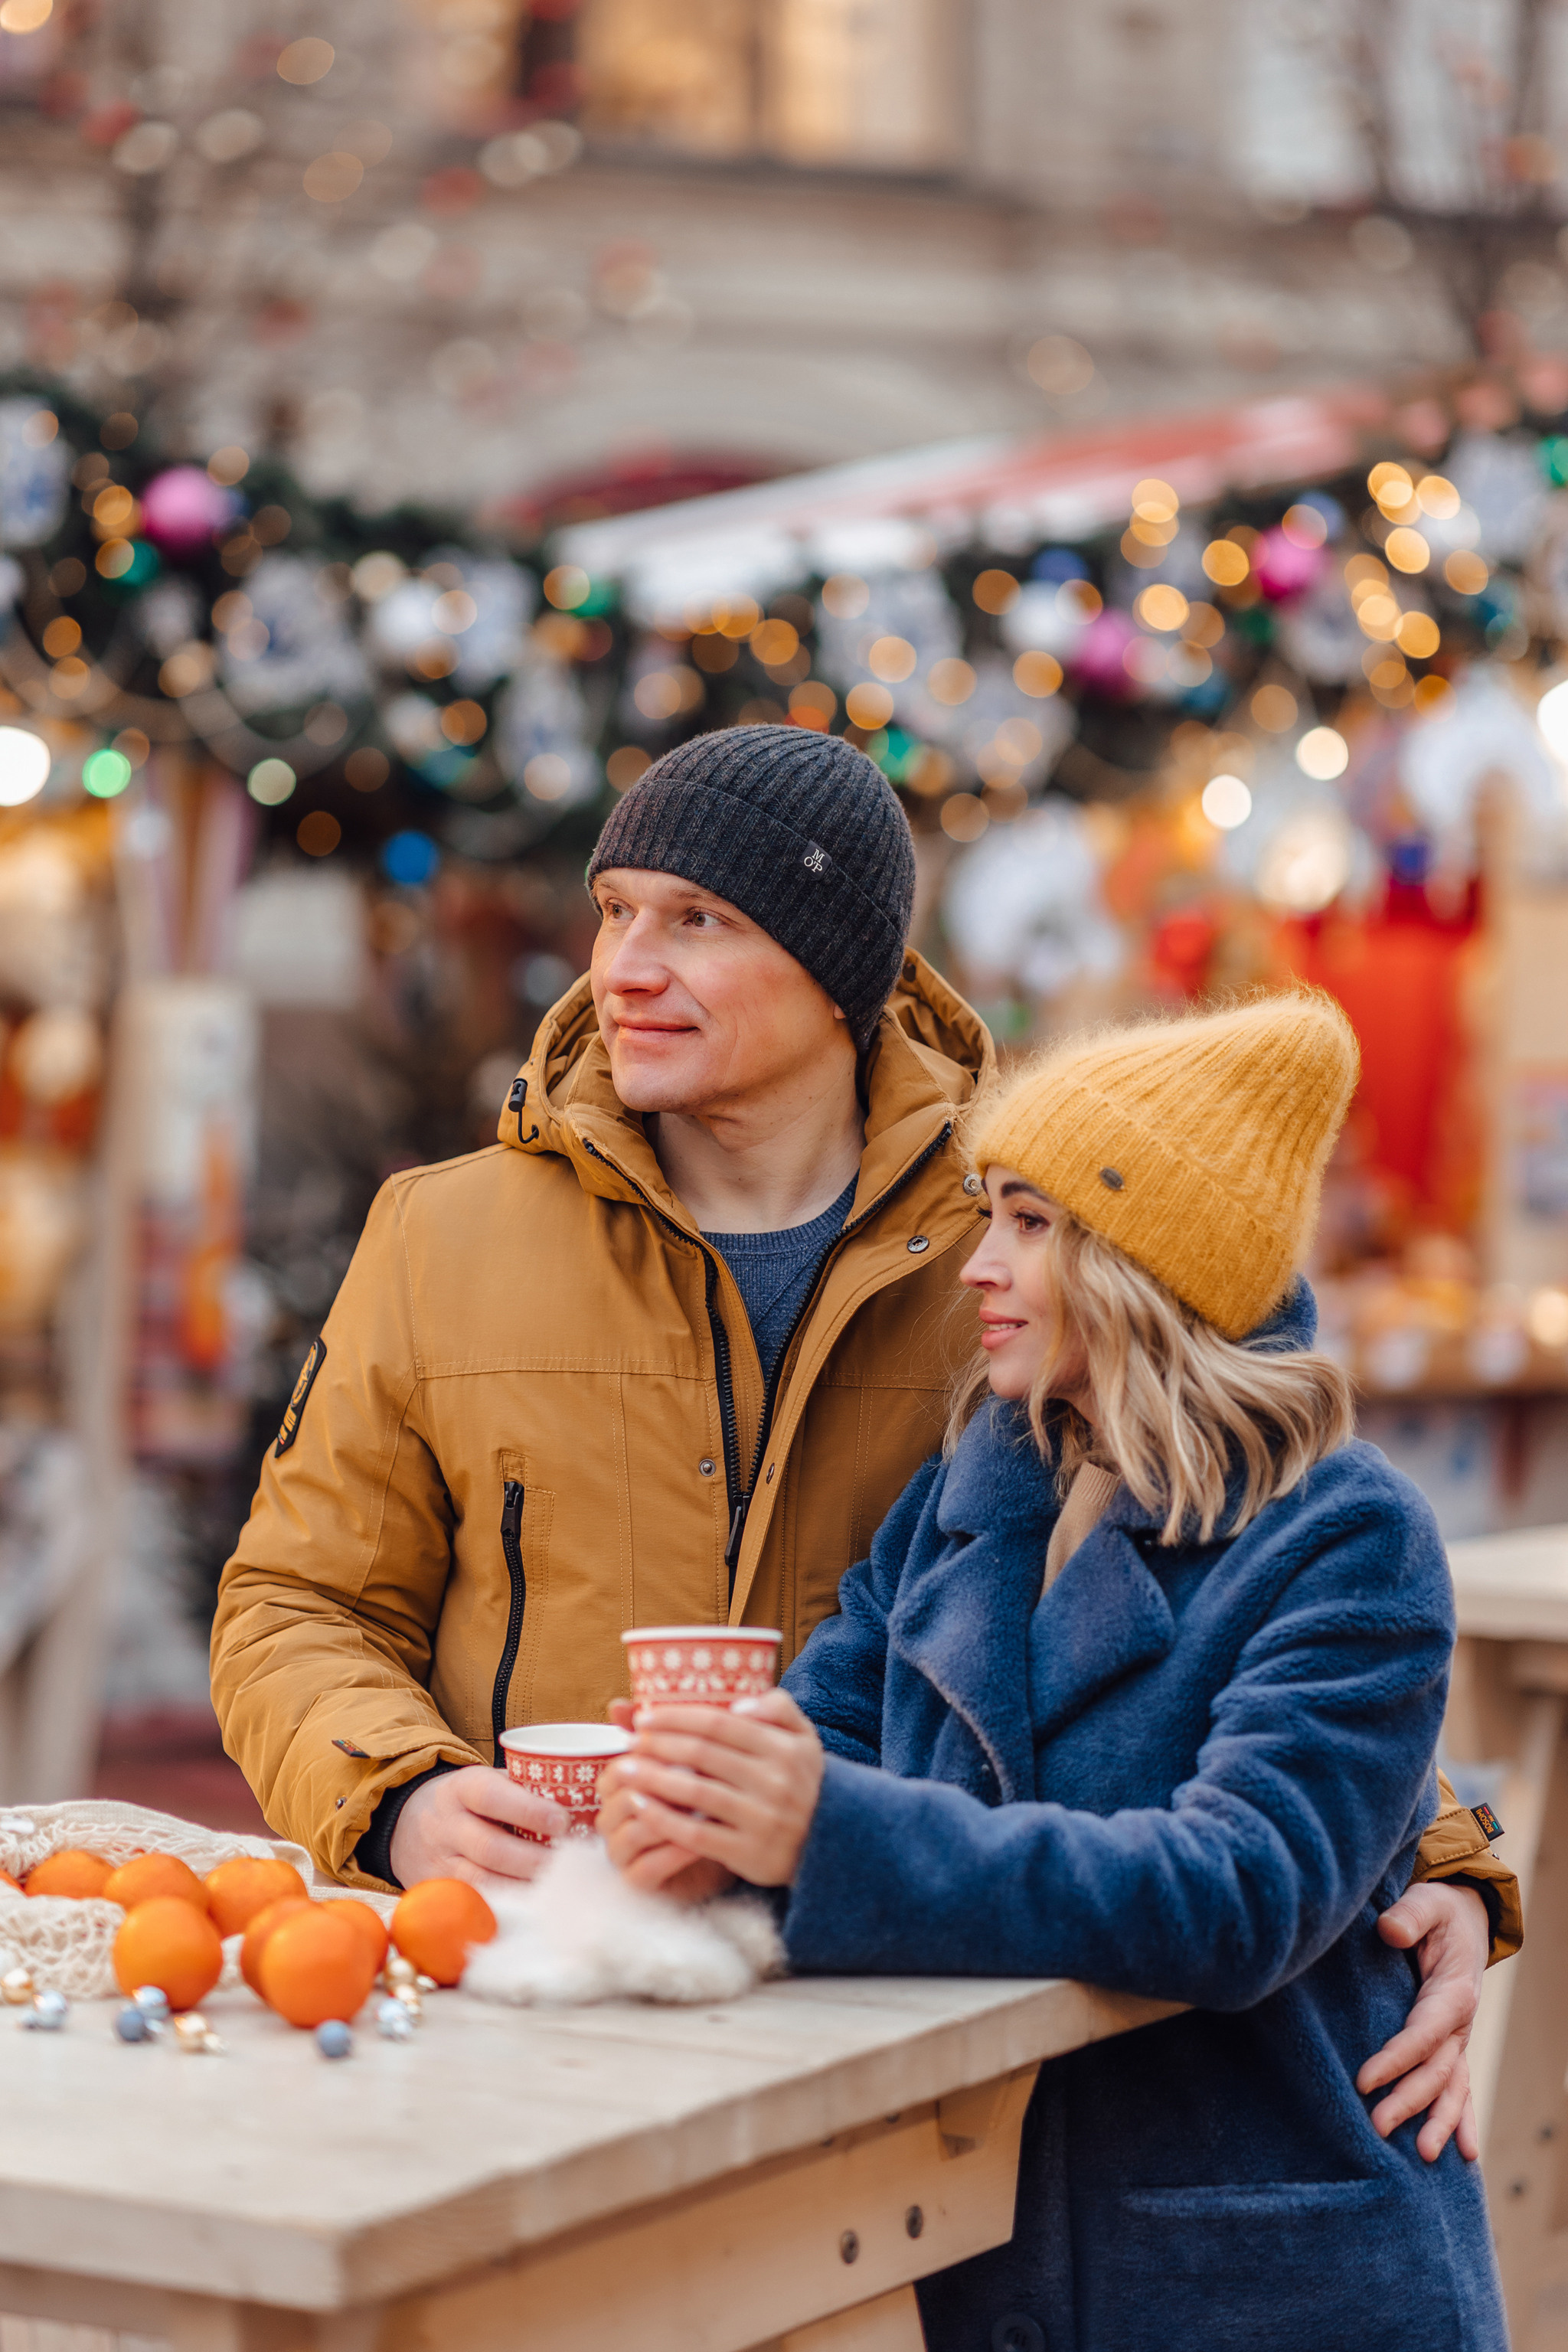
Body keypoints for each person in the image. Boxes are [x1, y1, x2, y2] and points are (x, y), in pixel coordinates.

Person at [211, 726, 1514, 2162]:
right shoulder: (441, 1237)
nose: (622, 968)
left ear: (838, 968)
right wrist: (399, 1797)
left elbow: (1248, 1542)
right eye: (615, 911)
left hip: (928, 2073)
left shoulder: (1030, 1248)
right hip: (534, 1993)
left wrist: (1431, 1864)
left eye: (696, 921)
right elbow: (294, 1602)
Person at [596, 992, 1509, 2350]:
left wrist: (820, 1835)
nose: (977, 1264)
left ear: (1147, 1260)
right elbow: (830, 1727)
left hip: (1264, 2279)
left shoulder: (1347, 1535)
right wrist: (710, 1811)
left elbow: (1238, 1894)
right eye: (990, 1214)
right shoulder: (968, 1499)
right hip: (989, 2244)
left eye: (1029, 1223)